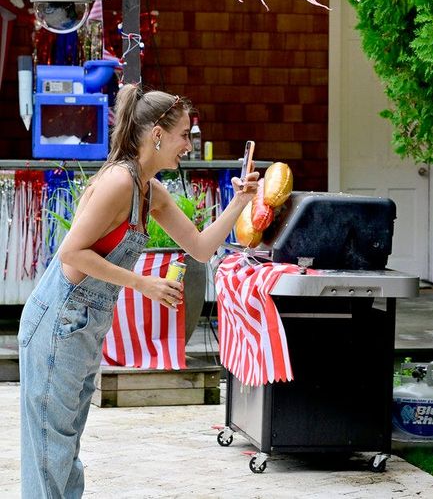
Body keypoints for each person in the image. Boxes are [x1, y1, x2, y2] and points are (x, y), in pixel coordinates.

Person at [18, 84, 260, 498]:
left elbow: (200, 248)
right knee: (50, 450)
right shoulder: (119, 182)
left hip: (84, 325)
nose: (189, 144)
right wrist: (142, 284)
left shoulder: (152, 190)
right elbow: (71, 254)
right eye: (185, 134)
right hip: (59, 320)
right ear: (158, 134)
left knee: (64, 447)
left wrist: (239, 202)